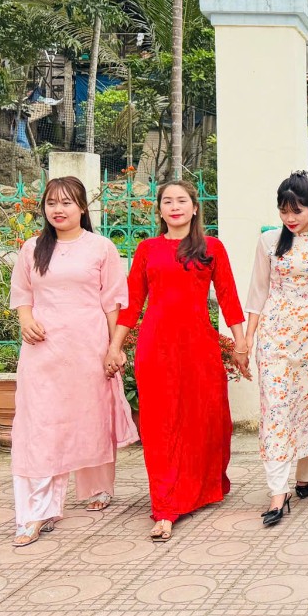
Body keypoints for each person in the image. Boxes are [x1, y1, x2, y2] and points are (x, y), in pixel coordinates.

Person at [106, 181, 245, 543]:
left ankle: (199, 489)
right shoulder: (147, 249)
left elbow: (228, 297)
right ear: (160, 210)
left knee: (205, 419)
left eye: (182, 200)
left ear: (195, 207)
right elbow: (132, 304)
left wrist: (241, 342)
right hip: (156, 347)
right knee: (160, 425)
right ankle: (166, 506)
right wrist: (115, 347)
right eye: (167, 201)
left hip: (199, 346)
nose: (175, 206)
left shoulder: (211, 248)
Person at [8, 177, 137, 548]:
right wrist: (26, 320)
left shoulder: (101, 247)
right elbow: (22, 293)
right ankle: (35, 512)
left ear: (82, 207)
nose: (58, 210)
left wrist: (115, 348)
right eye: (51, 203)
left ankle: (97, 486)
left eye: (66, 202)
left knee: (89, 417)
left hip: (87, 348)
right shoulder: (33, 248)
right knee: (38, 427)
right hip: (42, 351)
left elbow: (113, 302)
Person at [241, 173, 308, 530]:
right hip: (274, 335)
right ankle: (277, 491)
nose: (289, 218)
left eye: (296, 210)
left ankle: (305, 475)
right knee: (276, 410)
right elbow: (257, 292)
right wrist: (248, 338)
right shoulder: (269, 242)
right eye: (284, 211)